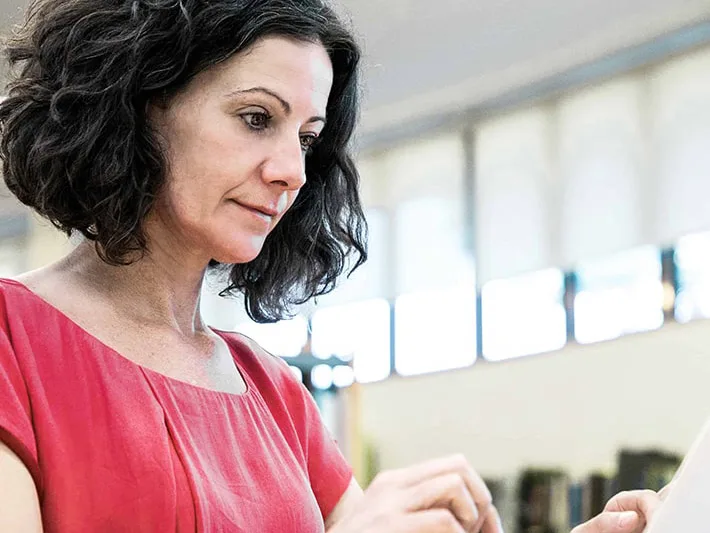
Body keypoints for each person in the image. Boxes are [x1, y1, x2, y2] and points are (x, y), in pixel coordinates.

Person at [0, 0, 672, 532]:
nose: (291, 171)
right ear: (140, 105)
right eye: (256, 117)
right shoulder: (13, 342)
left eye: (307, 138)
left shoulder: (273, 391)